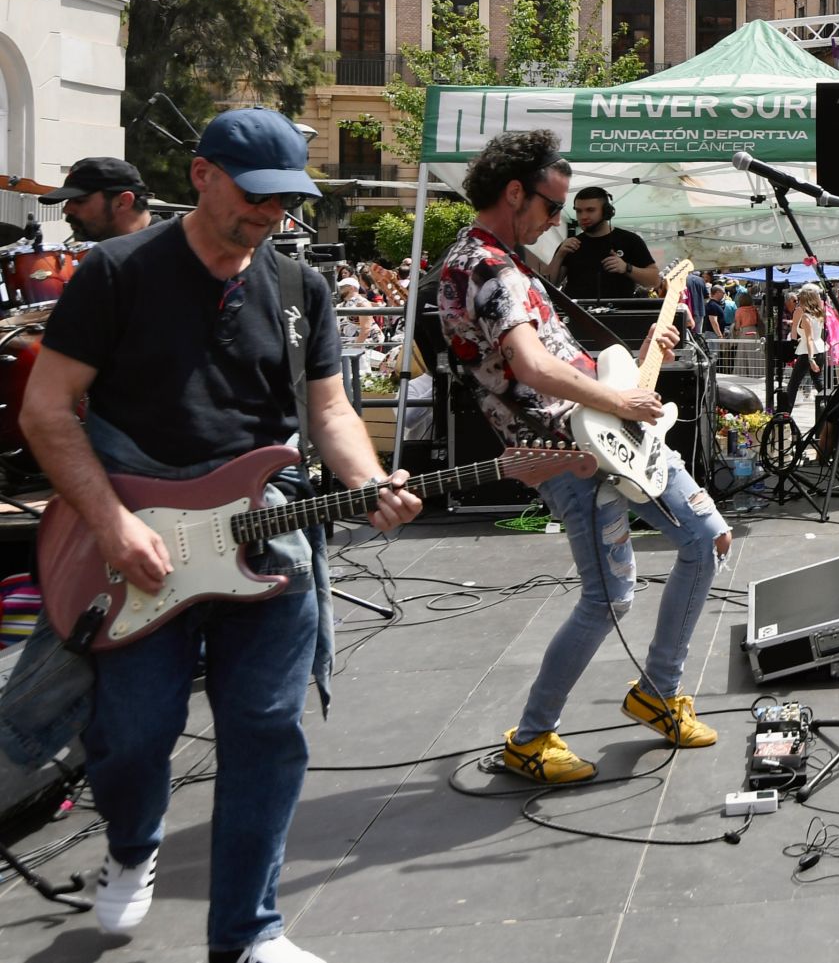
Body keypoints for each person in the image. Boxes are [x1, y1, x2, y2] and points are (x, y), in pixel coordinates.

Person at [18, 110, 424, 962]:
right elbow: (47, 409)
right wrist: (111, 521)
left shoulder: (297, 285)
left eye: (285, 201)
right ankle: (134, 844)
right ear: (201, 176)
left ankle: (248, 931)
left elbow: (329, 409)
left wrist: (367, 479)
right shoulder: (118, 274)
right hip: (138, 544)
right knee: (132, 733)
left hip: (264, 542)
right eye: (255, 195)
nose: (270, 215)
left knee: (268, 729)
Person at [438, 129, 732, 786]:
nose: (559, 223)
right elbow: (533, 365)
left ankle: (659, 689)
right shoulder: (482, 265)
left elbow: (570, 354)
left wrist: (639, 353)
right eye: (552, 207)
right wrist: (622, 402)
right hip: (567, 451)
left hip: (610, 434)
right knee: (609, 596)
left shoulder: (511, 262)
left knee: (706, 537)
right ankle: (532, 736)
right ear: (515, 193)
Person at [545, 185, 659, 299]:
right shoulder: (570, 245)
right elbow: (546, 287)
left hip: (619, 315)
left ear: (606, 211)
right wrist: (560, 255)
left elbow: (655, 281)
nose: (583, 216)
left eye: (590, 210)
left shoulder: (630, 240)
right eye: (579, 211)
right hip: (577, 314)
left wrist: (626, 268)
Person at [39, 156, 155, 242]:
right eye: (68, 201)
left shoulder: (167, 252)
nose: (66, 209)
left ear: (123, 202)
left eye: (80, 200)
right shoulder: (93, 258)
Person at [781, 283, 829, 413]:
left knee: (793, 384)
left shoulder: (805, 316)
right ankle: (831, 408)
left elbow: (808, 338)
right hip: (820, 349)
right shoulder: (819, 313)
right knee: (818, 382)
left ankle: (786, 413)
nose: (797, 301)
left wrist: (810, 358)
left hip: (808, 351)